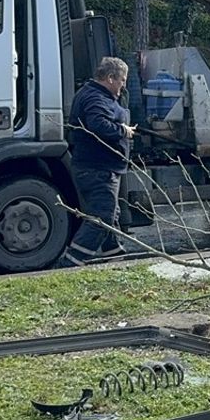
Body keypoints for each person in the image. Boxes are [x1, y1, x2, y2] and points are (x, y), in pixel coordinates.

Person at [63, 57, 135, 266]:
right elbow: (98, 124)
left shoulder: (92, 93)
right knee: (102, 216)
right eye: (122, 80)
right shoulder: (97, 98)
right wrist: (123, 130)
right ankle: (71, 263)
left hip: (95, 166)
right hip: (98, 168)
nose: (124, 85)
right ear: (111, 78)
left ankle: (114, 254)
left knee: (111, 212)